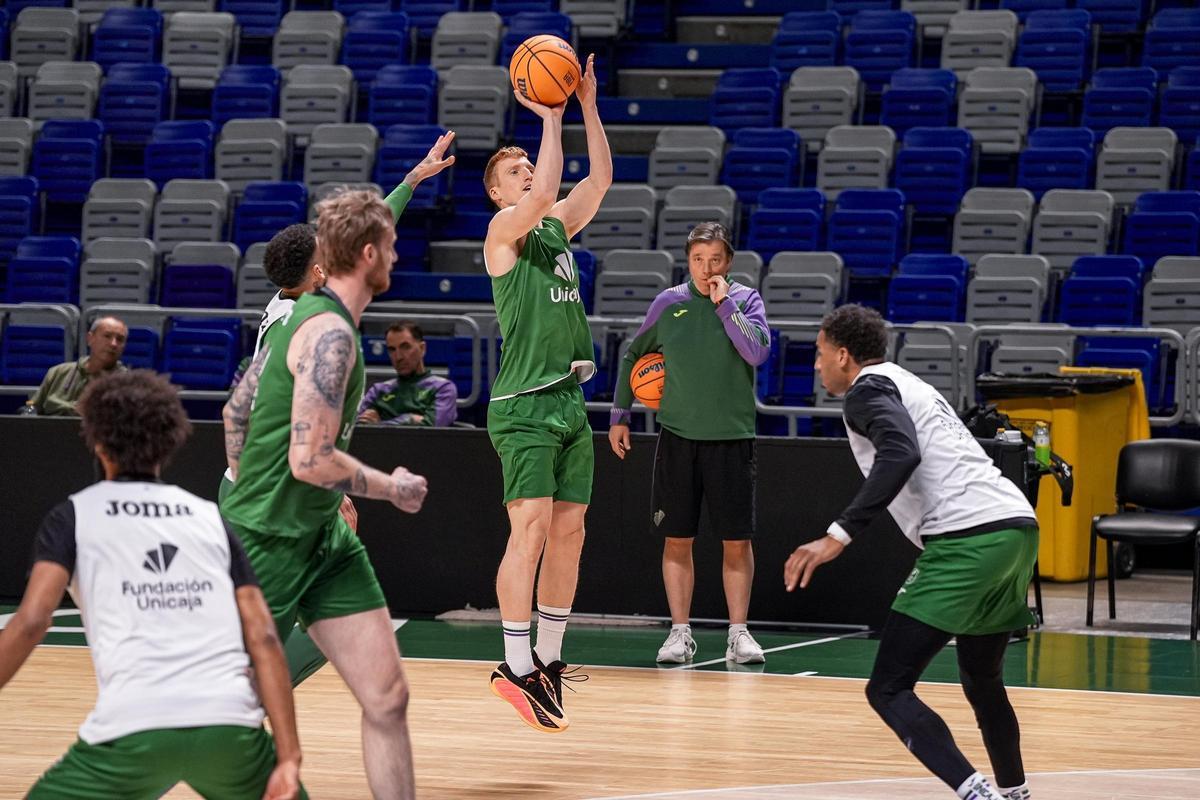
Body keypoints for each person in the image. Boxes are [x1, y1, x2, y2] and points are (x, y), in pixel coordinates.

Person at [219, 133, 457, 688]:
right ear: (319, 271)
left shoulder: (292, 300)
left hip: (265, 479)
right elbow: (267, 419)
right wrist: (335, 485)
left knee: (329, 637)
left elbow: (238, 410)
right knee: (247, 658)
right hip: (272, 490)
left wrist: (412, 181)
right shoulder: (307, 327)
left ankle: (247, 700)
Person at [0, 370, 305, 800]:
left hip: (132, 725)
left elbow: (31, 622)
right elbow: (264, 637)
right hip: (229, 726)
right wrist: (288, 757)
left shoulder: (73, 516)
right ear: (168, 443)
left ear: (97, 441)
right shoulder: (209, 517)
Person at [220, 188, 433, 800]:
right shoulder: (331, 336)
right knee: (220, 716)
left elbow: (236, 413)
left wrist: (244, 477)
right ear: (370, 254)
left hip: (322, 540)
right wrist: (391, 487)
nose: (396, 253)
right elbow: (310, 459)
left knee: (387, 697)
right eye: (391, 244)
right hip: (265, 541)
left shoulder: (305, 314)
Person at [784, 304, 1039, 800]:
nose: (816, 366)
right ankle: (1015, 793)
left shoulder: (866, 390)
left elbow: (901, 451)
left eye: (819, 354)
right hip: (1016, 527)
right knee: (983, 682)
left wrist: (838, 534)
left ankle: (976, 794)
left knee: (887, 687)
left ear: (842, 355)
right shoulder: (905, 381)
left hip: (969, 538)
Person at [482, 52, 611, 733]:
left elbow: (600, 180)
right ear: (498, 194)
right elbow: (545, 194)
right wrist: (549, 118)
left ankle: (548, 661)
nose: (529, 174)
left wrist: (585, 106)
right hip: (523, 405)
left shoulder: (557, 227)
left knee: (571, 533)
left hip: (568, 401)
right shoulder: (504, 233)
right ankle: (513, 663)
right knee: (528, 531)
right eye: (516, 172)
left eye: (530, 165)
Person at [608, 222, 770, 666]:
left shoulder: (746, 301)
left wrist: (724, 307)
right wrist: (620, 415)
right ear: (688, 260)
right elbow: (631, 354)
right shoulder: (669, 302)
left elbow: (756, 352)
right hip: (677, 438)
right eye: (698, 259)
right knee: (677, 539)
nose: (706, 268)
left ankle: (739, 634)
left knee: (736, 542)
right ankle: (680, 633)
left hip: (733, 438)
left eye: (715, 259)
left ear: (729, 262)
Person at [357, 321, 459, 427]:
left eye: (405, 347)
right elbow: (358, 428)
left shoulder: (443, 388)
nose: (398, 357)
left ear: (422, 348)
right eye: (392, 350)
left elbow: (433, 429)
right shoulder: (378, 391)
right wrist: (410, 419)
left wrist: (380, 424)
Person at [23, 316, 128, 416]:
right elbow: (32, 405)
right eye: (107, 336)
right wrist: (27, 412)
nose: (113, 344)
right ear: (90, 339)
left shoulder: (128, 383)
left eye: (120, 339)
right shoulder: (58, 372)